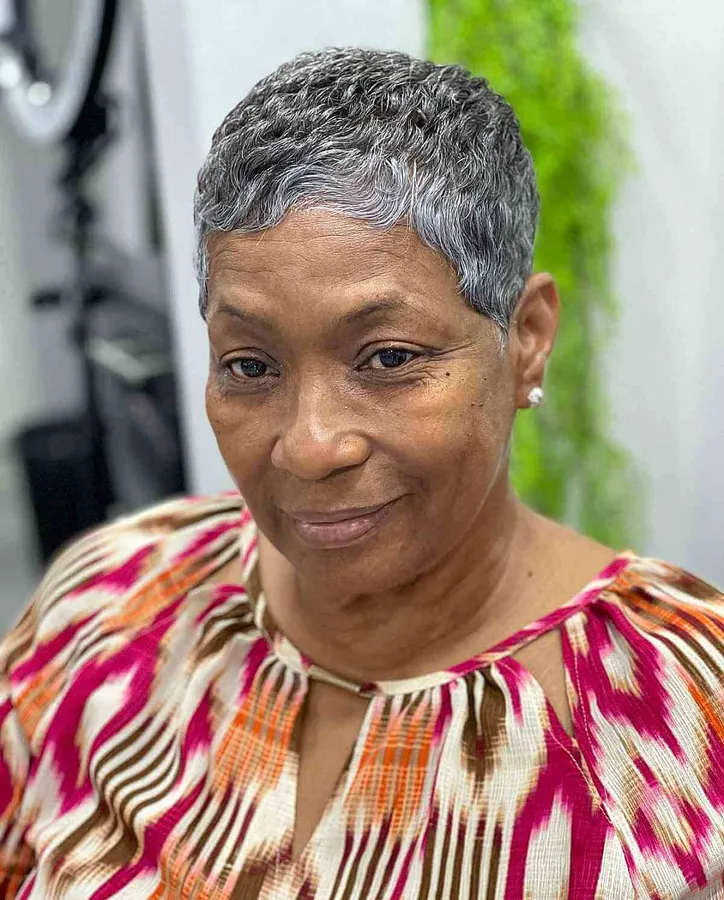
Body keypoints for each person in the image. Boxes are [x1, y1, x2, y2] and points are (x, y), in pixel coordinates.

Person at [0, 47, 722, 900]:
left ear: (526, 339)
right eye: (250, 366)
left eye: (388, 357)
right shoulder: (105, 615)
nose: (309, 447)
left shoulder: (683, 726)